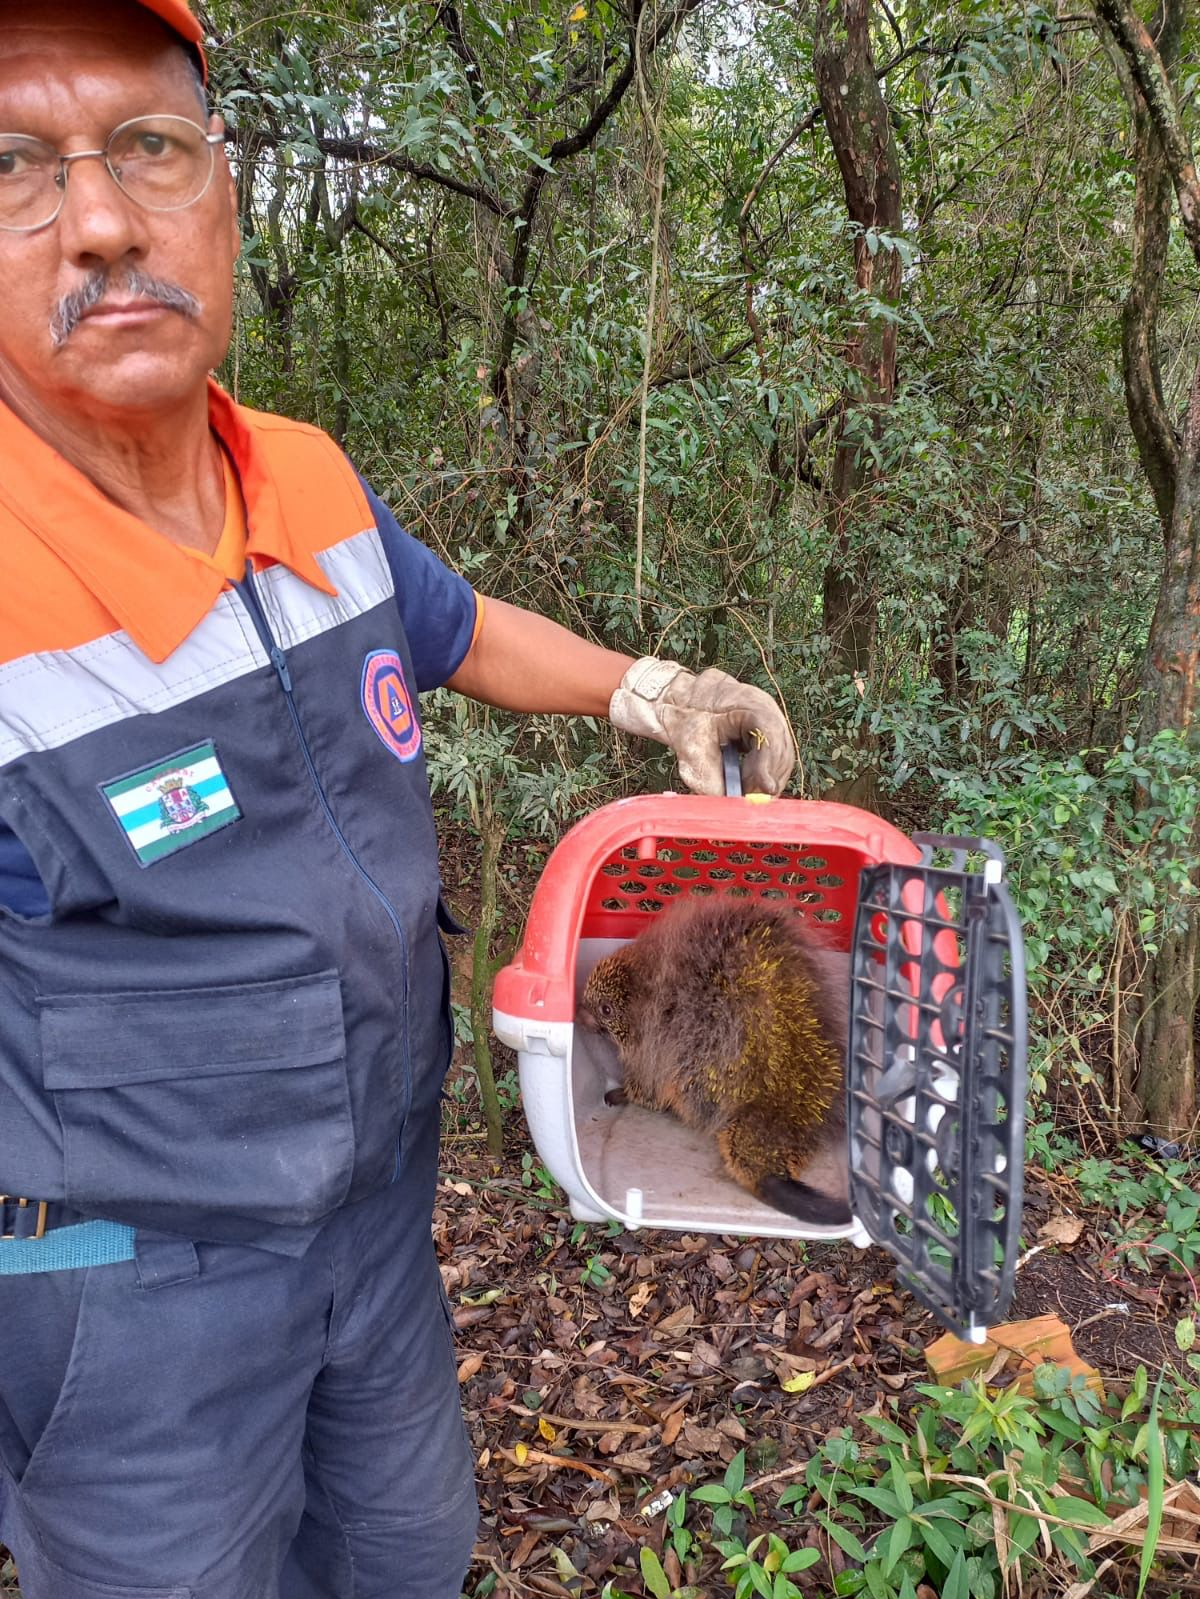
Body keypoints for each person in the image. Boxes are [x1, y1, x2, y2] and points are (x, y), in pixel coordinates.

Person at [0, 4, 796, 1595]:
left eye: (148, 146)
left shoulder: (303, 476)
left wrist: (656, 690)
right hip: (126, 1286)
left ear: (222, 193)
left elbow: (460, 628)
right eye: (15, 165)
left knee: (405, 1554)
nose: (99, 220)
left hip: (376, 1220)